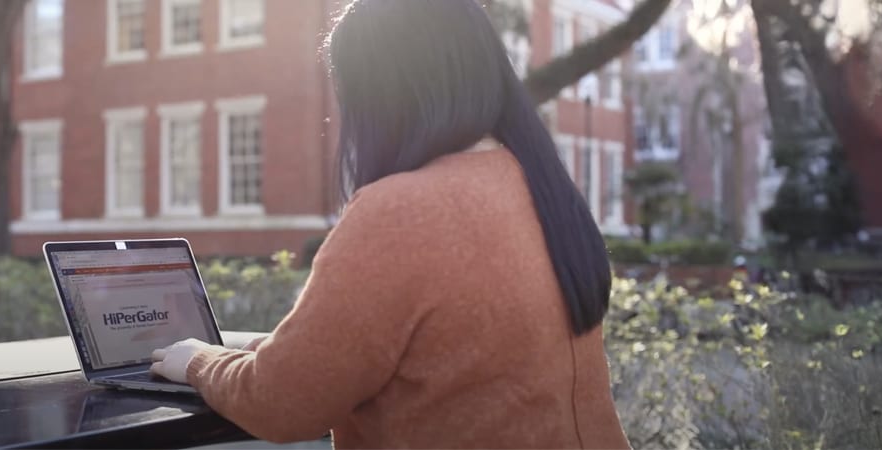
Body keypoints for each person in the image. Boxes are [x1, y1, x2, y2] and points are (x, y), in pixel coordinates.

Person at [149, 1, 630, 448]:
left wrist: (197, 363)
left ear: (379, 94)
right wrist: (258, 352)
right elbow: (373, 357)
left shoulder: (401, 211)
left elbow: (283, 403)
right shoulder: (540, 185)